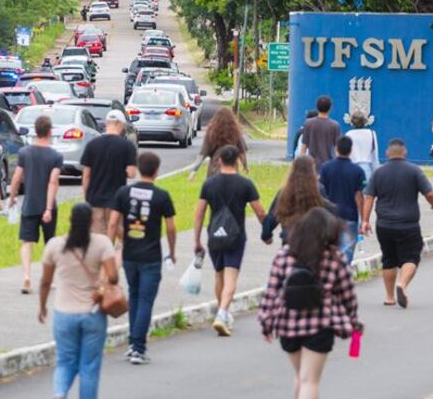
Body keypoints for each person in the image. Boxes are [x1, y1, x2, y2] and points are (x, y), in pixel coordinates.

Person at [257, 208, 361, 399]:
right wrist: (353, 323)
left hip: (287, 325)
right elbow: (347, 295)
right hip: (320, 325)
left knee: (301, 377)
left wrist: (265, 322)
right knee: (310, 380)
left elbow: (271, 292)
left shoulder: (284, 255)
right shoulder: (334, 257)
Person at [39, 203, 118, 399]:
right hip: (93, 312)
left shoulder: (55, 245)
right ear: (92, 220)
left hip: (63, 312)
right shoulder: (102, 243)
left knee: (65, 362)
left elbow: (45, 281)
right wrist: (102, 279)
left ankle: (59, 397)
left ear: (70, 220)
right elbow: (113, 276)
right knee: (89, 368)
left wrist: (42, 306)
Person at [108, 151, 177, 365]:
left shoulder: (123, 193)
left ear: (138, 169)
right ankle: (138, 347)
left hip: (129, 254)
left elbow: (112, 223)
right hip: (151, 256)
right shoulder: (162, 196)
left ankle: (132, 343)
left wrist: (110, 250)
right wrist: (172, 251)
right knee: (146, 300)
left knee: (135, 297)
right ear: (156, 171)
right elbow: (171, 227)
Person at [193, 144, 268, 336]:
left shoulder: (209, 184)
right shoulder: (245, 184)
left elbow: (199, 212)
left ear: (218, 161)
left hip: (214, 236)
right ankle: (222, 313)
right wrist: (266, 232)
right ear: (237, 160)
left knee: (219, 275)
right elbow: (259, 211)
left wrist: (196, 240)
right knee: (231, 276)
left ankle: (222, 312)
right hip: (236, 236)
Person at [360, 139, 433, 309]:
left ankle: (389, 297)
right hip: (408, 224)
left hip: (384, 224)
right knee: (411, 257)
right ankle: (402, 284)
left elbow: (369, 198)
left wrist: (365, 221)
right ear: (405, 153)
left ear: (388, 153)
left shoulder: (378, 173)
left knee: (388, 259)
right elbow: (430, 193)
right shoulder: (414, 171)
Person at [9, 115, 63, 294]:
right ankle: (49, 278)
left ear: (36, 131)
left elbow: (16, 178)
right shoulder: (56, 156)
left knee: (27, 242)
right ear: (50, 132)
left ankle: (26, 275)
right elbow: (53, 182)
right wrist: (48, 208)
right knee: (49, 243)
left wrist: (11, 197)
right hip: (48, 206)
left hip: (29, 204)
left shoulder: (25, 153)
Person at [80, 110, 137, 234]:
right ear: (120, 124)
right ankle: (116, 253)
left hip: (95, 198)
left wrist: (86, 197)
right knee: (119, 232)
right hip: (116, 199)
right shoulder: (127, 146)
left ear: (107, 123)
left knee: (98, 235)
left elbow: (86, 176)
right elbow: (131, 173)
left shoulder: (92, 145)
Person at [262, 155, 335, 245]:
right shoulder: (318, 190)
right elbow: (327, 213)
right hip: (312, 240)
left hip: (289, 237)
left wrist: (266, 234)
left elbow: (273, 214)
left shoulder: (284, 191)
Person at [319, 137, 366, 266]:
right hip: (350, 216)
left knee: (328, 249)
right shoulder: (358, 171)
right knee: (347, 251)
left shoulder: (325, 168)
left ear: (336, 149)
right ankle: (342, 276)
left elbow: (321, 192)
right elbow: (359, 197)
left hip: (329, 216)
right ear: (350, 150)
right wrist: (363, 220)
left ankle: (330, 276)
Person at [188, 107, 248, 180]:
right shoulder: (236, 133)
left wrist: (194, 170)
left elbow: (202, 154)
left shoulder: (211, 133)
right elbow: (242, 152)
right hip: (232, 169)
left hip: (214, 170)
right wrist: (245, 166)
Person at [298, 96, 341, 167]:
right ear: (330, 108)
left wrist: (301, 165)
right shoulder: (335, 125)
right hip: (328, 165)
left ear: (317, 107)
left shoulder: (308, 123)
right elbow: (337, 149)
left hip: (312, 165)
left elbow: (304, 147)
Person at [346, 111, 380, 185]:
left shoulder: (348, 134)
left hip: (352, 168)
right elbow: (375, 155)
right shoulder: (371, 133)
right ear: (364, 121)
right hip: (367, 169)